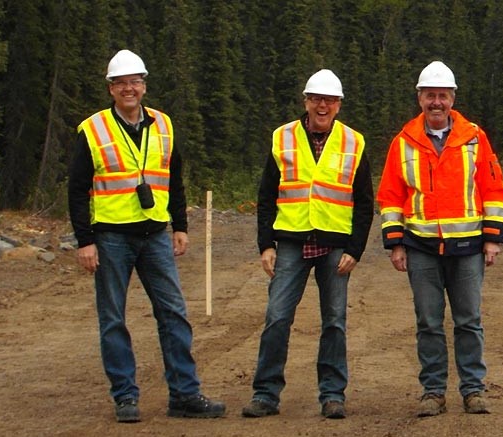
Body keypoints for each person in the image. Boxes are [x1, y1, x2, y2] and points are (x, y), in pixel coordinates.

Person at [68, 49, 225, 423]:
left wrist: (181, 226)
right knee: (113, 319)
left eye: (135, 82)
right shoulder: (93, 130)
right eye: (121, 83)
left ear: (144, 86)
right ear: (110, 89)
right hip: (110, 237)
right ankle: (125, 396)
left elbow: (175, 179)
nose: (129, 89)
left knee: (173, 314)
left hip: (155, 234)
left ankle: (184, 394)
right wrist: (84, 240)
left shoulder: (164, 125)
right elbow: (77, 190)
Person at [376, 61, 503, 416]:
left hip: (467, 248)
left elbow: (494, 189)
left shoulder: (475, 138)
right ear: (420, 98)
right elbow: (390, 195)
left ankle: (473, 389)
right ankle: (433, 391)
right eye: (430, 95)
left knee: (469, 320)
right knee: (429, 322)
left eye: (443, 96)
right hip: (421, 247)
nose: (437, 102)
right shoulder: (402, 142)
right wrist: (396, 242)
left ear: (452, 98)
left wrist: (493, 238)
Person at [241, 69, 374, 420]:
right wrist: (265, 244)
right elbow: (267, 196)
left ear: (339, 104)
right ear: (305, 101)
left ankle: (332, 395)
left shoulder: (353, 142)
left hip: (335, 247)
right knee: (277, 317)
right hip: (291, 242)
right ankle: (266, 394)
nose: (322, 106)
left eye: (329, 100)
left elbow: (364, 202)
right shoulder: (282, 138)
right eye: (316, 99)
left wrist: (355, 249)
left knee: (334, 321)